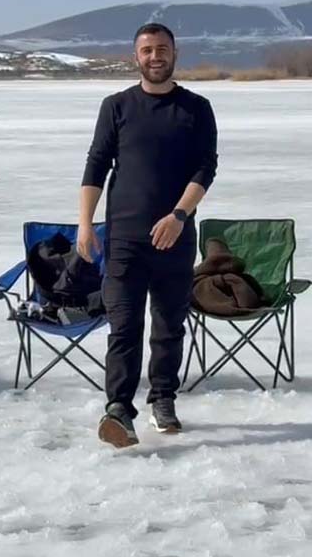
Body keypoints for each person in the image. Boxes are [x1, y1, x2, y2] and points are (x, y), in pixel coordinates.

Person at [78, 22, 218, 448]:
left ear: (174, 53)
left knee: (168, 326)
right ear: (135, 56)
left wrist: (178, 215)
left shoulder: (196, 108)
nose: (155, 57)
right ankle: (119, 409)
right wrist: (86, 223)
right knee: (123, 326)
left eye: (162, 49)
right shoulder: (116, 106)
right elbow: (96, 164)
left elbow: (205, 169)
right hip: (124, 239)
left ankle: (163, 399)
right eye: (147, 50)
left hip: (174, 237)